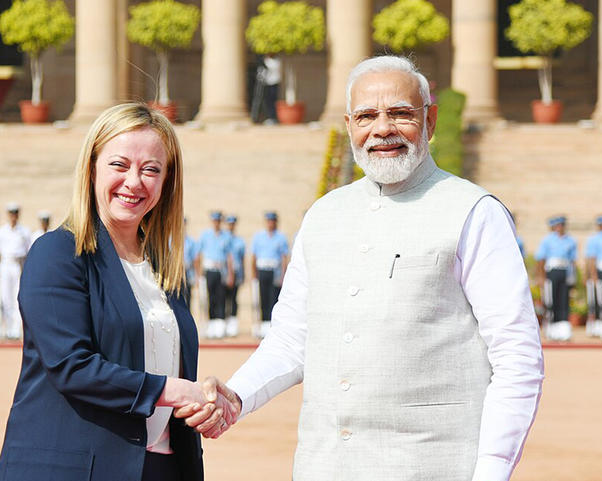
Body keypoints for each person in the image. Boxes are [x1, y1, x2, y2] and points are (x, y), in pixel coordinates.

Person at [190, 55, 544, 481]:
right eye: (366, 116)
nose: (382, 129)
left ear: (430, 121)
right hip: (325, 466)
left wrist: (492, 470)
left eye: (400, 113)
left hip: (433, 466)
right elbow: (292, 339)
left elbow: (516, 355)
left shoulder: (474, 212)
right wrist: (237, 396)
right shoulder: (324, 215)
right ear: (349, 125)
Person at [0, 103, 236, 481]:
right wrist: (173, 390)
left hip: (159, 465)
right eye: (119, 165)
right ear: (92, 168)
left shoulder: (164, 266)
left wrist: (199, 401)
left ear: (167, 180)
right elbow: (72, 366)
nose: (134, 182)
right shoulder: (58, 253)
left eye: (151, 169)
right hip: (74, 469)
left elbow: (159, 361)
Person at [535, 215, 577, 341]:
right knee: (551, 300)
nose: (560, 227)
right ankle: (551, 327)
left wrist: (572, 276)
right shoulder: (547, 240)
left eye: (562, 225)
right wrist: (541, 277)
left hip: (564, 271)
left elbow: (572, 260)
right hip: (551, 271)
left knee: (563, 300)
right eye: (557, 225)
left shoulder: (570, 240)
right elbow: (541, 260)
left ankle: (562, 327)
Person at [0, 202, 31, 340]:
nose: (13, 216)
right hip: (5, 264)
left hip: (17, 265)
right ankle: (7, 328)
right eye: (11, 213)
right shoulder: (1, 232)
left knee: (17, 298)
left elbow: (27, 252)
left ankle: (16, 330)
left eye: (15, 213)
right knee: (5, 298)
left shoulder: (24, 231)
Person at [250, 211, 288, 338]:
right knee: (263, 298)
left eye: (273, 221)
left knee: (273, 298)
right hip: (262, 269)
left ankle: (272, 324)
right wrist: (254, 274)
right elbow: (254, 257)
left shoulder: (281, 237)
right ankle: (263, 323)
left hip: (274, 270)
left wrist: (283, 275)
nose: (270, 223)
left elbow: (284, 258)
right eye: (269, 221)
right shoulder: (258, 237)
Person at [197, 211, 234, 339]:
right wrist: (198, 274)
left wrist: (230, 274)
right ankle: (211, 324)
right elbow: (199, 255)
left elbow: (229, 257)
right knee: (210, 297)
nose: (216, 223)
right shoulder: (205, 235)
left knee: (220, 297)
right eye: (214, 221)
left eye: (218, 221)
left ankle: (220, 324)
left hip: (220, 271)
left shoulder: (226, 236)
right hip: (209, 270)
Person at [224, 215, 245, 337]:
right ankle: (224, 321)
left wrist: (242, 274)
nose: (231, 226)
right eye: (229, 224)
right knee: (223, 298)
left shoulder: (239, 241)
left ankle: (232, 322)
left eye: (233, 224)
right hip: (224, 272)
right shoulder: (223, 239)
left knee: (234, 298)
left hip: (236, 271)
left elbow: (242, 258)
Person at [183, 218, 199, 311]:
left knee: (188, 296)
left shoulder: (190, 241)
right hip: (176, 273)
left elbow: (195, 260)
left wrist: (196, 276)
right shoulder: (170, 239)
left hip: (187, 272)